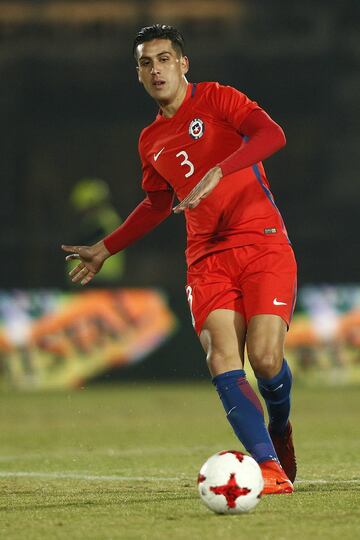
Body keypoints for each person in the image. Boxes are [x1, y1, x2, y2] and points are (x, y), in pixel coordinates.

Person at [62, 24, 297, 494]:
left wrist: (220, 169)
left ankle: (281, 425)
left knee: (267, 359)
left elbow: (273, 135)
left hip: (261, 240)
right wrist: (105, 247)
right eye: (146, 63)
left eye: (164, 59)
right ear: (138, 75)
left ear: (183, 64)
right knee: (221, 357)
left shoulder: (218, 99)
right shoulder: (151, 141)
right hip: (207, 258)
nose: (156, 69)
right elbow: (154, 204)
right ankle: (269, 469)